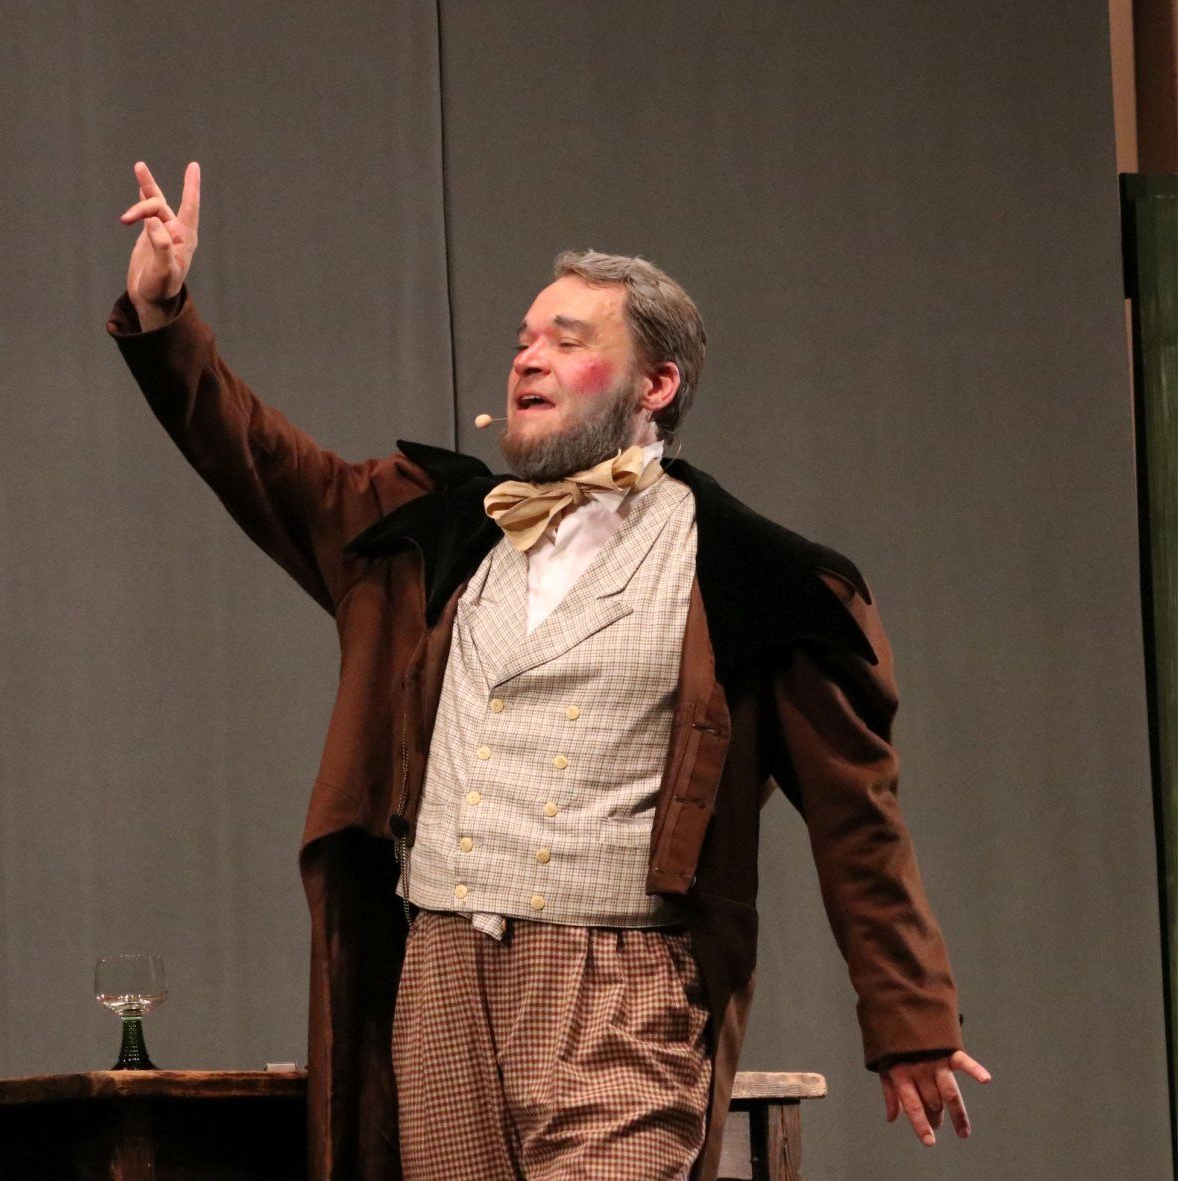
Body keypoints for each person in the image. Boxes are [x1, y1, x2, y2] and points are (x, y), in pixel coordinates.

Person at [107, 161, 990, 1180]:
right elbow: (259, 461)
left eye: (567, 341)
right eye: (523, 339)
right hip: (440, 981)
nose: (528, 357)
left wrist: (910, 1018)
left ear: (655, 386)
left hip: (616, 986)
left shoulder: (752, 576)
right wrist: (164, 312)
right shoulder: (430, 533)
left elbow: (856, 817)